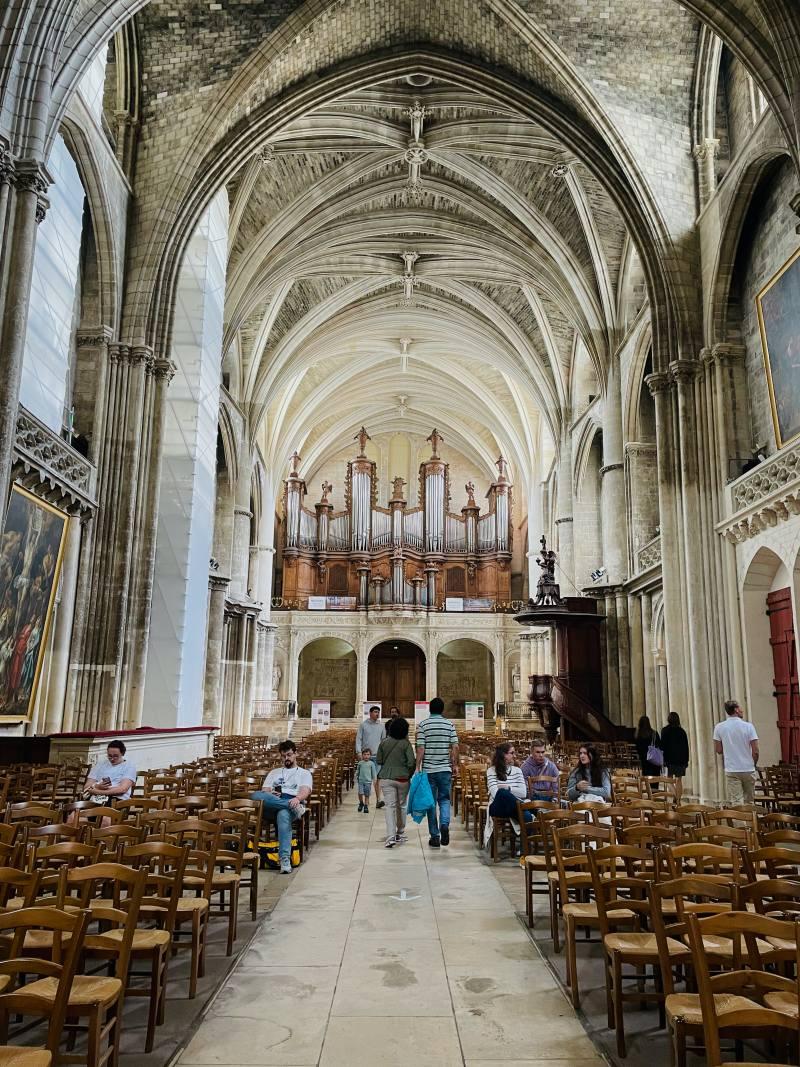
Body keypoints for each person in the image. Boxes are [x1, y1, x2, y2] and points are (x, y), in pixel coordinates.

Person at [251, 740, 313, 873]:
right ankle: (289, 806)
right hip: (275, 802)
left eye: (289, 755)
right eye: (284, 756)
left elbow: (305, 791)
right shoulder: (274, 772)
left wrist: (296, 799)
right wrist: (271, 793)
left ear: (295, 754)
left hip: (293, 801)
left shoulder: (304, 773)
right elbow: (265, 791)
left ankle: (284, 859)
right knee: (255, 796)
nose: (287, 758)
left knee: (283, 814)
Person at [415, 695, 459, 848]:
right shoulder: (449, 725)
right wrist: (454, 765)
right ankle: (445, 824)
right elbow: (455, 746)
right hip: (445, 769)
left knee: (431, 803)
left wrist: (417, 767)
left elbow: (421, 748)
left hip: (428, 770)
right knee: (445, 799)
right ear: (442, 710)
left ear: (430, 709)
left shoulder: (423, 725)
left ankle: (435, 836)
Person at [377, 716, 416, 847]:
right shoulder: (406, 744)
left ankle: (390, 836)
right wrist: (408, 774)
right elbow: (411, 762)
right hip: (403, 778)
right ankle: (400, 831)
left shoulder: (384, 742)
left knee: (390, 806)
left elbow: (379, 761)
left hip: (387, 777)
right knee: (402, 805)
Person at [713, 699, 759, 805]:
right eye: (740, 708)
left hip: (732, 768)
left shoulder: (719, 727)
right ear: (736, 710)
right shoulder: (748, 726)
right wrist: (753, 764)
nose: (742, 710)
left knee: (736, 801)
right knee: (749, 801)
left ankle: (739, 821)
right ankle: (751, 821)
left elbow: (718, 750)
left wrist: (730, 748)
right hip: (748, 768)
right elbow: (755, 750)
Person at [356, 705, 386, 808]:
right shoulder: (363, 725)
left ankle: (379, 800)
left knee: (377, 778)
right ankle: (365, 800)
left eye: (378, 712)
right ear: (370, 713)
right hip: (366, 757)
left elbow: (383, 741)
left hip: (377, 756)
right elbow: (359, 739)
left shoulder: (382, 726)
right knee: (366, 779)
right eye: (375, 712)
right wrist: (359, 752)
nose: (377, 714)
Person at [660, 711, 690, 800]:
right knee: (679, 780)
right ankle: (678, 800)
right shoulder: (682, 731)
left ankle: (676, 799)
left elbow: (662, 746)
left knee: (668, 780)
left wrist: (663, 759)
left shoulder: (665, 730)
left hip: (669, 759)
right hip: (681, 759)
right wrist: (686, 760)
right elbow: (686, 747)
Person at [356, 747, 377, 813]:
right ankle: (361, 803)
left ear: (370, 755)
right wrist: (357, 777)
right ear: (362, 755)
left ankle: (366, 805)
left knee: (367, 794)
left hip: (368, 782)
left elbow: (374, 772)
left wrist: (374, 779)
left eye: (368, 754)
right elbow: (358, 771)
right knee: (360, 793)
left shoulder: (371, 764)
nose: (366, 756)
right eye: (364, 754)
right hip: (361, 781)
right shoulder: (360, 763)